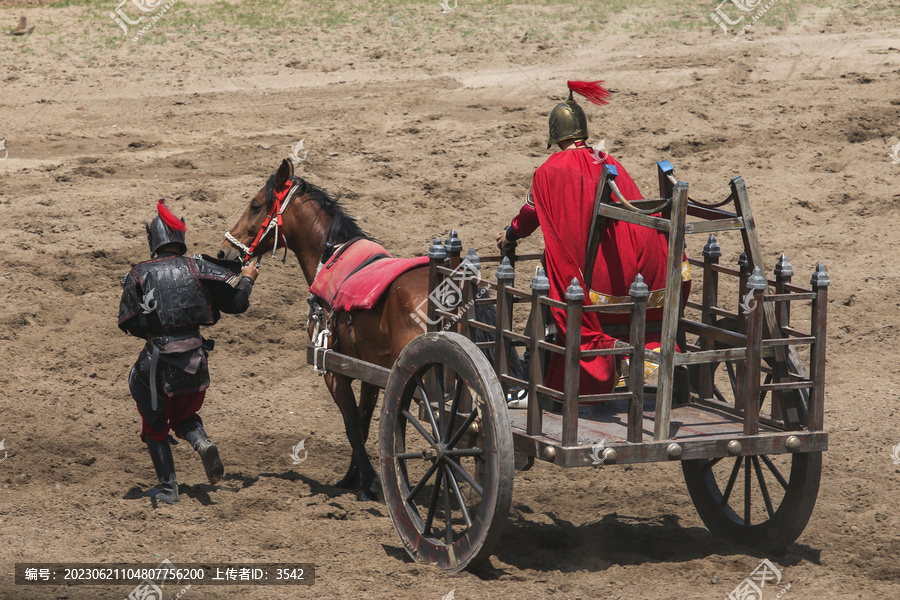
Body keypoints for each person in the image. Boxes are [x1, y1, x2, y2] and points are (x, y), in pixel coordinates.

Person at [497, 80, 689, 400]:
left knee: (555, 283)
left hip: (604, 279)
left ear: (556, 135)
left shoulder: (549, 169)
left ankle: (558, 375)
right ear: (582, 132)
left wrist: (511, 233)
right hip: (651, 267)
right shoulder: (606, 159)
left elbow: (530, 215)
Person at [118, 200, 259, 504]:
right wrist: (247, 278)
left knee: (154, 425)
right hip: (195, 365)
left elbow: (130, 324)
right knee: (183, 414)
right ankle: (202, 442)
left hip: (156, 369)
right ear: (179, 238)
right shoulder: (199, 267)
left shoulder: (140, 273)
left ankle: (168, 488)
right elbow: (238, 304)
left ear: (153, 240)